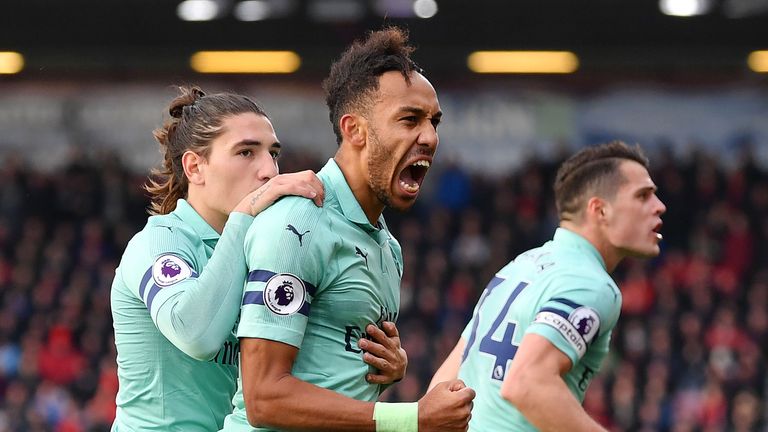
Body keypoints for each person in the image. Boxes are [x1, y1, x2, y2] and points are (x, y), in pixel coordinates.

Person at [221, 27, 475, 432]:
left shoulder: (388, 246)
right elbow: (264, 398)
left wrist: (389, 368)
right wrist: (411, 418)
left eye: (434, 122)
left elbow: (332, 365)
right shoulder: (298, 223)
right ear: (354, 130)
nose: (429, 136)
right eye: (409, 119)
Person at [111, 86, 403, 431]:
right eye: (246, 152)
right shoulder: (158, 242)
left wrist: (383, 366)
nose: (269, 170)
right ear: (195, 167)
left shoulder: (273, 247)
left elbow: (297, 366)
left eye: (274, 153)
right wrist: (245, 212)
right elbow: (196, 335)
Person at [430, 141, 667, 431]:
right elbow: (527, 383)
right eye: (643, 196)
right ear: (600, 210)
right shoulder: (590, 283)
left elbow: (442, 388)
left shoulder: (517, 269)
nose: (659, 206)